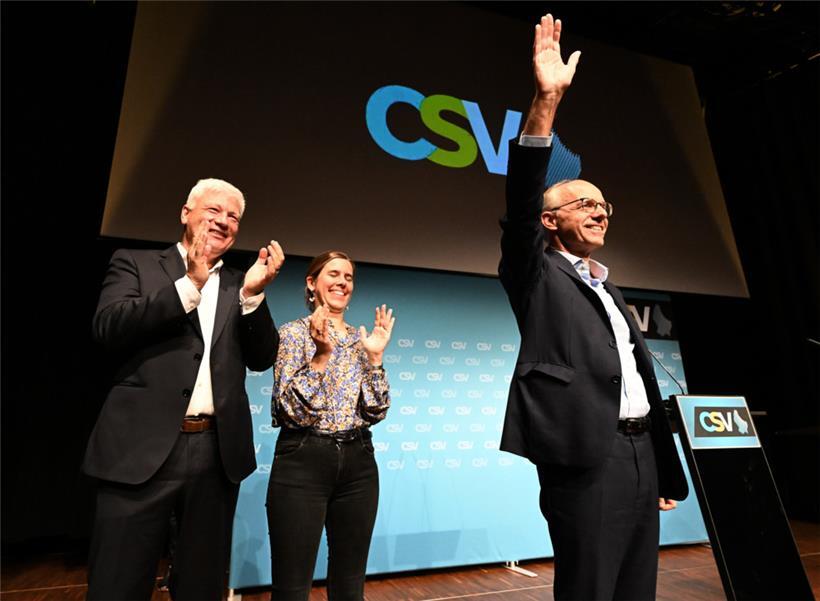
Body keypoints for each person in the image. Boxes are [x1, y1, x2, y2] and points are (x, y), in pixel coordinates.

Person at [498, 15, 689, 600]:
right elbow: (522, 194)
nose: (600, 210)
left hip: (639, 455)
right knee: (590, 588)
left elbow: (632, 377)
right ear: (550, 221)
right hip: (586, 455)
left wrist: (658, 462)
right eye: (585, 202)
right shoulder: (534, 271)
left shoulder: (609, 287)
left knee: (637, 587)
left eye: (605, 204)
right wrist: (545, 101)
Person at [84, 178, 284, 600]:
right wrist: (189, 284)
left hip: (215, 453)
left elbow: (264, 357)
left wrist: (253, 297)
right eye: (214, 211)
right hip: (139, 449)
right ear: (185, 214)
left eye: (234, 217)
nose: (224, 221)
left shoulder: (237, 282)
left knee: (202, 586)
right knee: (117, 583)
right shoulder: (136, 263)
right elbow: (109, 327)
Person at [265, 251, 395, 601]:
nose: (342, 282)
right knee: (292, 587)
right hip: (302, 460)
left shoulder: (360, 339)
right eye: (333, 274)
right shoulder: (292, 334)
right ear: (312, 283)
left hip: (358, 462)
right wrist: (321, 357)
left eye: (348, 277)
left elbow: (376, 410)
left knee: (350, 586)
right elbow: (290, 411)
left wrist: (375, 359)